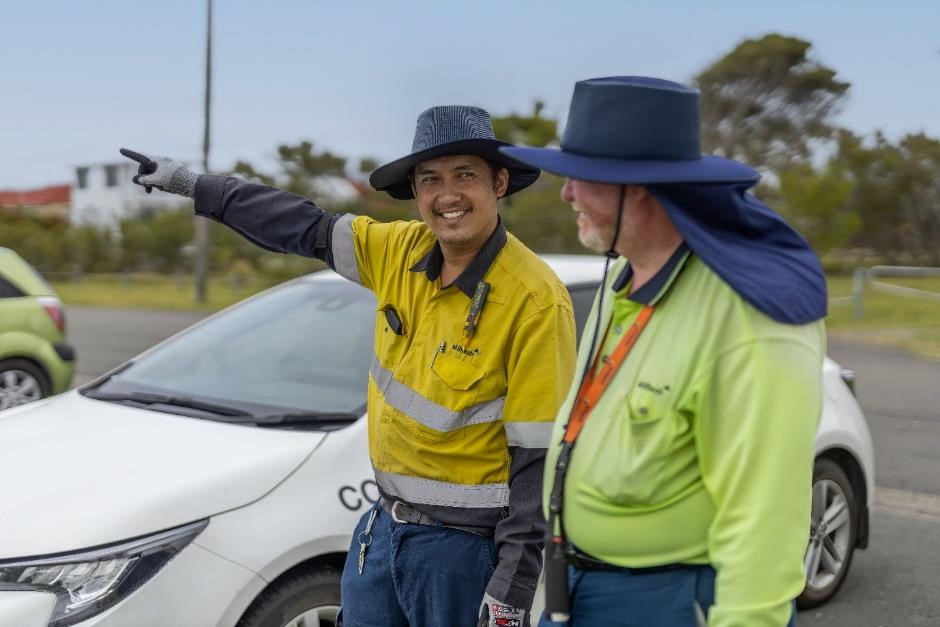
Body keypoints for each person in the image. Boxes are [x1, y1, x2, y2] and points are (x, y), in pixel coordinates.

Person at [120, 105, 576, 627]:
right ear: (416, 192)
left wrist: (511, 593)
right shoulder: (397, 251)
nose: (447, 195)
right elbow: (301, 225)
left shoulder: (536, 300)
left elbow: (539, 463)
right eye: (430, 179)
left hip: (463, 556)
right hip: (381, 534)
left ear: (499, 183)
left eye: (464, 175)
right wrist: (193, 184)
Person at [500, 76, 829, 626]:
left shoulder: (748, 320)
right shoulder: (622, 279)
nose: (566, 193)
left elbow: (764, 527)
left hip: (673, 600)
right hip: (577, 587)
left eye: (583, 177)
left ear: (639, 187)